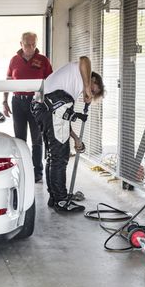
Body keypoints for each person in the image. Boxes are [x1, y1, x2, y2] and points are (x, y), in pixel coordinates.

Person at [31, 56, 105, 213]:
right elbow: (85, 58)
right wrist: (86, 88)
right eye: (93, 89)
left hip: (44, 107)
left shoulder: (70, 86)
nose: (91, 94)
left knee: (54, 154)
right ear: (93, 79)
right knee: (60, 156)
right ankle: (61, 200)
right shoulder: (82, 71)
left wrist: (76, 139)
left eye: (93, 93)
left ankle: (54, 198)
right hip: (51, 104)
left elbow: (63, 120)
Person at [3, 32, 53, 183]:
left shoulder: (43, 60)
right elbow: (7, 81)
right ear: (21, 44)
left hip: (36, 102)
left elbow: (51, 81)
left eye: (33, 44)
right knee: (20, 138)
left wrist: (48, 104)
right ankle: (22, 170)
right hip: (18, 102)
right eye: (27, 44)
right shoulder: (14, 60)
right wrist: (4, 102)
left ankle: (37, 172)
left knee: (37, 138)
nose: (30, 47)